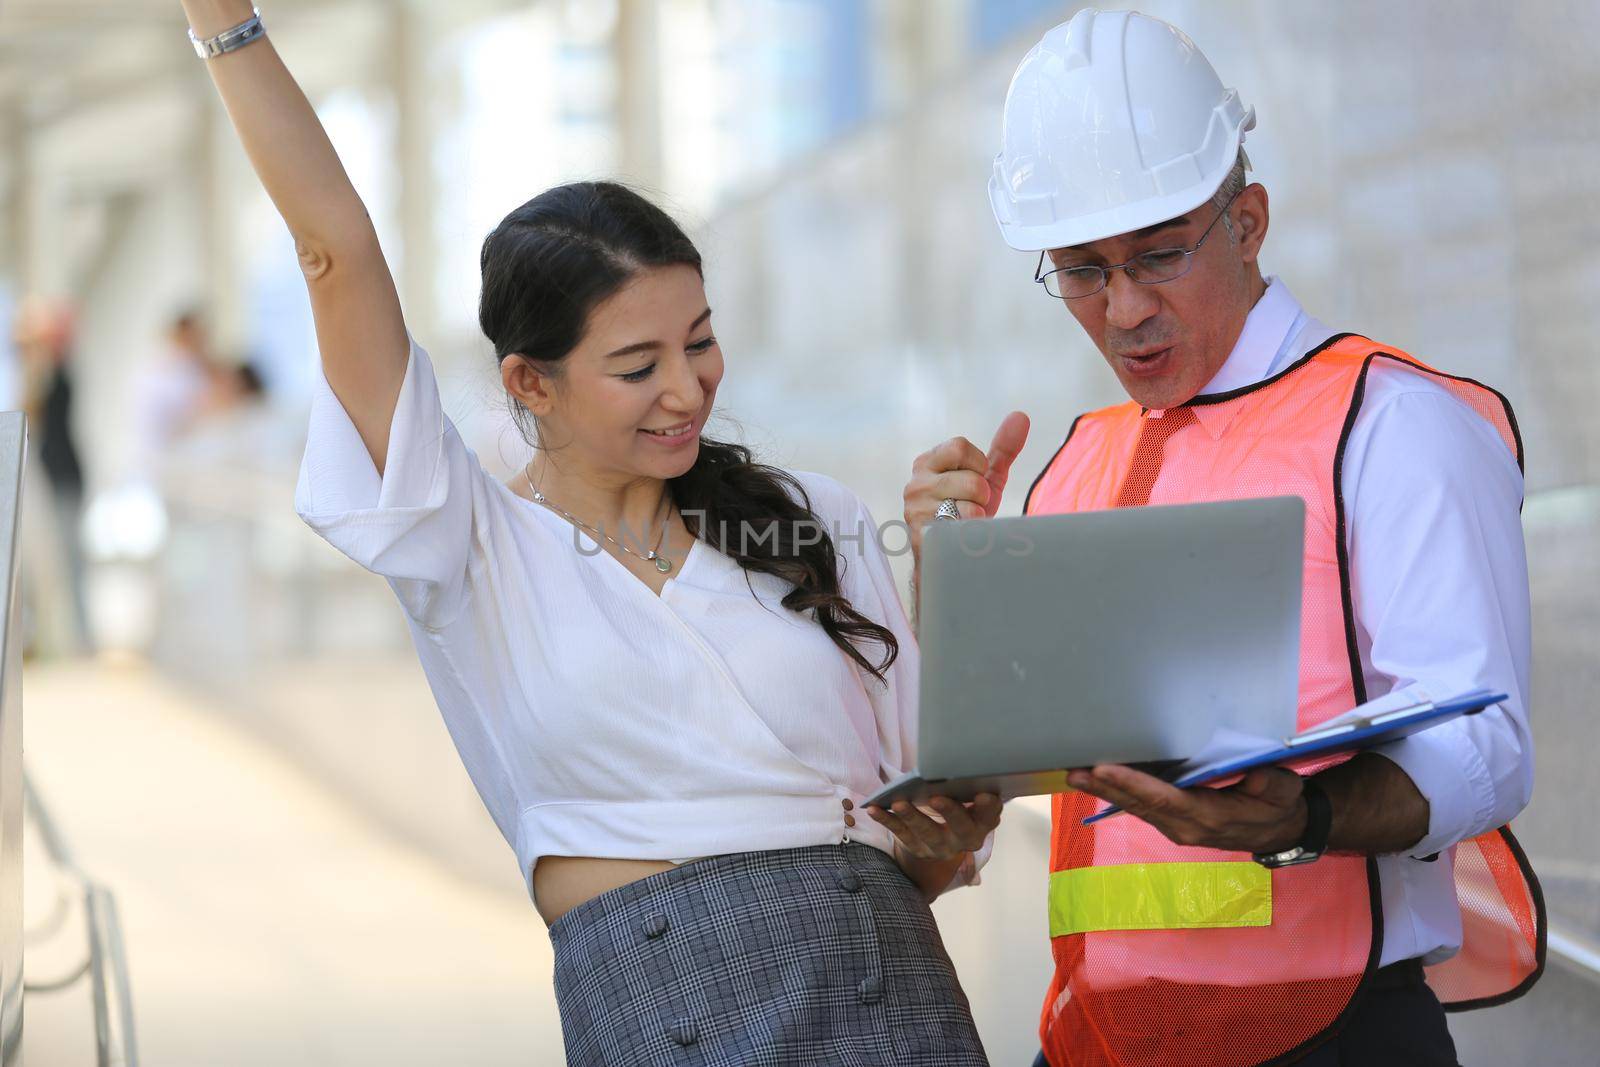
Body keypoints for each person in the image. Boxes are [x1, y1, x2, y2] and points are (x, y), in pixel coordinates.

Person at [178, 3, 999, 1064]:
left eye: (699, 342)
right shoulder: (467, 541)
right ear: (530, 382)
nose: (686, 389)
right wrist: (224, 24)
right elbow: (334, 249)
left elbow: (927, 834)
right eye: (635, 364)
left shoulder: (817, 517)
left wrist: (955, 598)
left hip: (886, 981)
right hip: (657, 1006)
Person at [902, 11, 1541, 1067]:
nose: (1124, 310)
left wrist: (1304, 816)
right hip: (1092, 1036)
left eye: (1158, 255)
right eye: (1081, 270)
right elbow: (1016, 760)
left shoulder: (1389, 422)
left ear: (1247, 221)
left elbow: (1488, 745)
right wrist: (952, 596)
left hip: (1329, 1034)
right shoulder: (1077, 461)